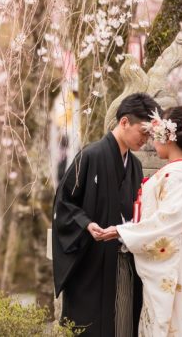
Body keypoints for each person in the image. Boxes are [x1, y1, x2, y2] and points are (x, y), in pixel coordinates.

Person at [52, 92, 161, 336]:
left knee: (122, 323)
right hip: (91, 262)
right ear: (124, 122)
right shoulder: (90, 155)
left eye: (149, 134)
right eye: (143, 132)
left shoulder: (134, 165)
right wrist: (86, 224)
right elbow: (64, 203)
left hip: (122, 259)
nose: (146, 139)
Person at [102, 106, 182, 337]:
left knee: (172, 325)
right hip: (179, 263)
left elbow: (165, 223)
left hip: (176, 267)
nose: (151, 142)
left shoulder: (176, 176)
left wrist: (121, 231)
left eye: (155, 135)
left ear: (167, 137)